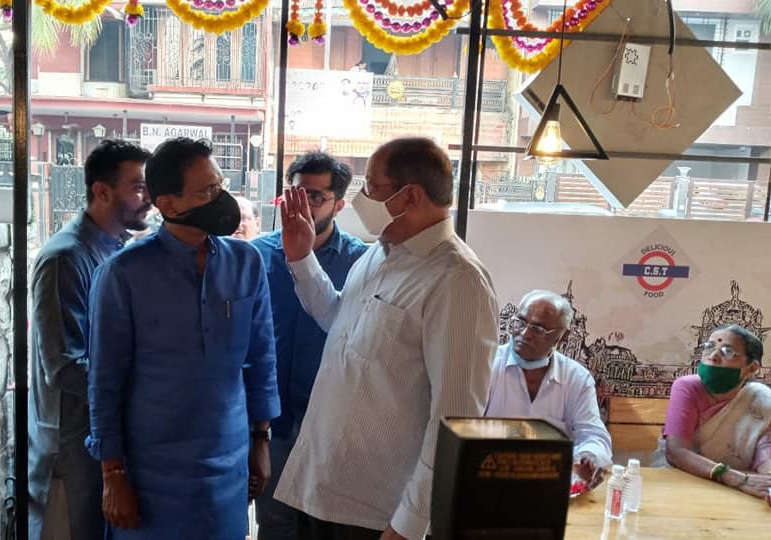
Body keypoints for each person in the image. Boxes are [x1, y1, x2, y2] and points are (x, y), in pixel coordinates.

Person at [274, 137, 499, 540]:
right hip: (323, 484)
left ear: (410, 196)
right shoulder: (380, 252)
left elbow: (457, 416)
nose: (361, 198)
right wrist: (302, 258)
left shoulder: (457, 281)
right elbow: (338, 321)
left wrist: (411, 520)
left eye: (371, 187)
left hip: (377, 511)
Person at [85, 137, 280, 539]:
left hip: (229, 464)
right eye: (208, 191)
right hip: (150, 473)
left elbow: (262, 358)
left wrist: (261, 441)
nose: (221, 199)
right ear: (169, 204)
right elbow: (104, 381)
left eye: (220, 185)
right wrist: (112, 473)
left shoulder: (246, 262)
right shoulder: (123, 274)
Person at [27, 140, 152, 539]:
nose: (148, 199)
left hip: (101, 437)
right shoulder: (66, 258)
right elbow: (65, 365)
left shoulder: (116, 252)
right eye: (138, 188)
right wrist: (145, 391)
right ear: (102, 191)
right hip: (72, 446)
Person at [250, 152, 368, 540]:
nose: (302, 205)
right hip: (273, 419)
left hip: (332, 420)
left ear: (340, 204)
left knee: (327, 524)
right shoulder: (257, 255)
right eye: (296, 194)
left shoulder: (361, 262)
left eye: (316, 197)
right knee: (275, 523)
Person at [485, 290, 612, 490]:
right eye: (520, 322)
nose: (524, 334)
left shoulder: (576, 378)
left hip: (550, 484)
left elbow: (593, 435)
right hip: (489, 479)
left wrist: (589, 457)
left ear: (562, 336)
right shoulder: (486, 366)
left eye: (538, 329)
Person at [663, 323, 771, 500]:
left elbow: (766, 458)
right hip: (683, 480)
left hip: (737, 492)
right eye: (709, 347)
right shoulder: (687, 387)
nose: (713, 356)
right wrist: (733, 478)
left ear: (751, 368)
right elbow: (676, 452)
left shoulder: (761, 400)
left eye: (727, 351)